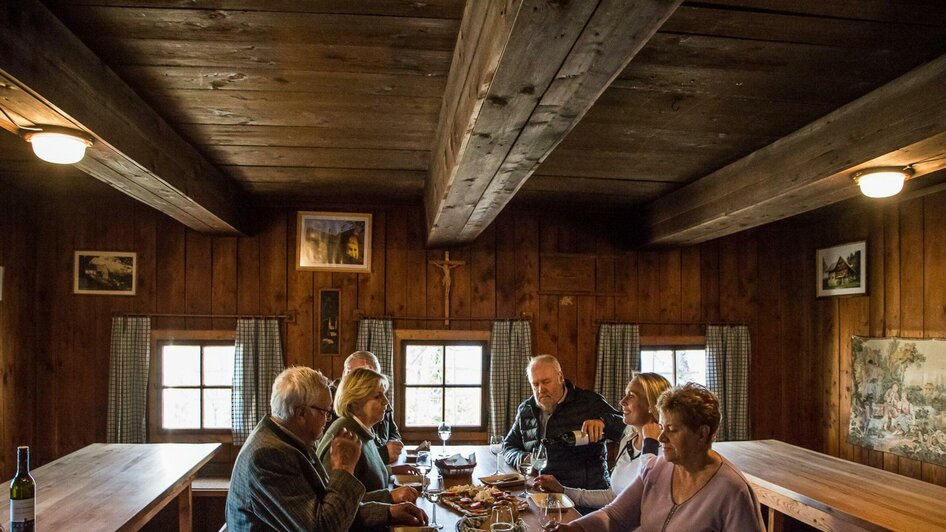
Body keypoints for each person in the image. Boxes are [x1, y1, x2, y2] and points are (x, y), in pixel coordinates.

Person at [226, 366, 428, 531]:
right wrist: (344, 470)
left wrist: (388, 512)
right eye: (325, 412)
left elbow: (330, 507)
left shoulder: (289, 441)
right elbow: (323, 527)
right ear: (301, 413)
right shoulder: (268, 455)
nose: (329, 419)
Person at [556, 383, 765, 532]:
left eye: (672, 430)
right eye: (662, 427)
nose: (661, 437)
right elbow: (614, 517)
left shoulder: (732, 491)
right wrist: (572, 529)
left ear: (702, 433)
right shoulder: (656, 469)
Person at [532, 373, 671, 508]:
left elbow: (648, 495)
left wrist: (650, 444)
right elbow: (612, 497)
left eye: (631, 396)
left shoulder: (666, 449)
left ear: (650, 404)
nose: (622, 401)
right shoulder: (628, 440)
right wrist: (563, 490)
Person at [502, 354, 625, 490]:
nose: (540, 390)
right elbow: (508, 446)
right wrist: (524, 458)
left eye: (546, 382)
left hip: (585, 495)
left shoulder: (589, 402)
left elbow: (630, 428)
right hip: (541, 491)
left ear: (560, 378)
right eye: (535, 384)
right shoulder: (526, 409)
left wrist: (605, 423)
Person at [318, 368, 416, 494]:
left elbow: (365, 476)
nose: (386, 401)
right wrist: (390, 496)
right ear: (354, 402)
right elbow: (337, 500)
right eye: (377, 396)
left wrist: (391, 471)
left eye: (384, 394)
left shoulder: (362, 429)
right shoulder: (345, 435)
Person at [332, 351, 403, 464]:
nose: (385, 401)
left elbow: (393, 433)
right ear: (346, 374)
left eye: (373, 376)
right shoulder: (343, 423)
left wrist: (393, 448)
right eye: (363, 376)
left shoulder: (366, 417)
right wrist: (384, 453)